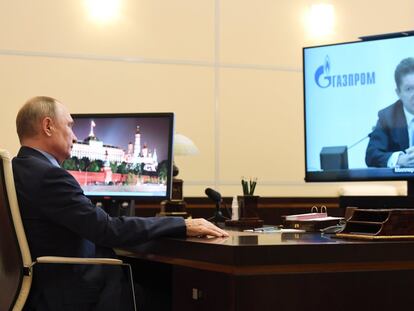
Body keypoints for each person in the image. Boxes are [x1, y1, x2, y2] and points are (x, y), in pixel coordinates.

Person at [12, 96, 228, 310]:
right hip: (75, 289)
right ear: (48, 126)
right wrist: (182, 225)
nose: (76, 137)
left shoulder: (17, 169)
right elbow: (107, 229)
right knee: (174, 290)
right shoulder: (49, 176)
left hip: (43, 287)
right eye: (69, 126)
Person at [366, 57, 414, 168]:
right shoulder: (387, 117)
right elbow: (371, 155)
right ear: (398, 93)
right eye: (408, 89)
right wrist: (399, 160)